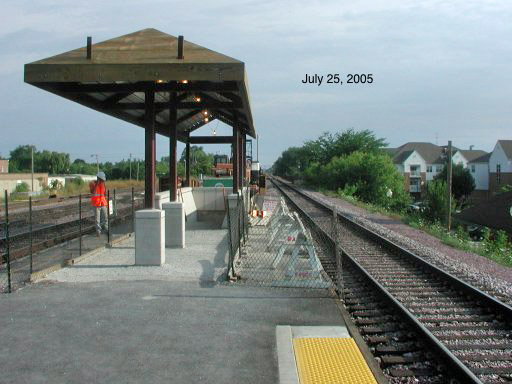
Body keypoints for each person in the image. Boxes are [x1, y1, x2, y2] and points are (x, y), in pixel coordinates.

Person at [89, 172, 108, 236]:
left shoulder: (103, 184)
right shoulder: (92, 183)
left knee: (105, 217)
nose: (103, 181)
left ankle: (106, 229)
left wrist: (103, 184)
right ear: (98, 178)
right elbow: (93, 192)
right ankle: (98, 232)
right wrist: (97, 184)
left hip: (103, 203)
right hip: (96, 204)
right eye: (102, 180)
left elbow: (104, 193)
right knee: (97, 219)